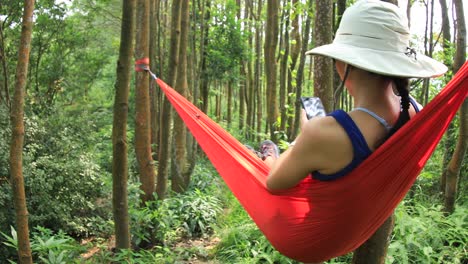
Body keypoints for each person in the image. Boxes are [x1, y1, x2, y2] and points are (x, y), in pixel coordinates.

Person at [264, 0, 447, 191]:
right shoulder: (416, 112)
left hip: (331, 221)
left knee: (270, 158)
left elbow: (274, 184)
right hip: (372, 216)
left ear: (343, 65)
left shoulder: (321, 134)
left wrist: (301, 138)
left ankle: (269, 153)